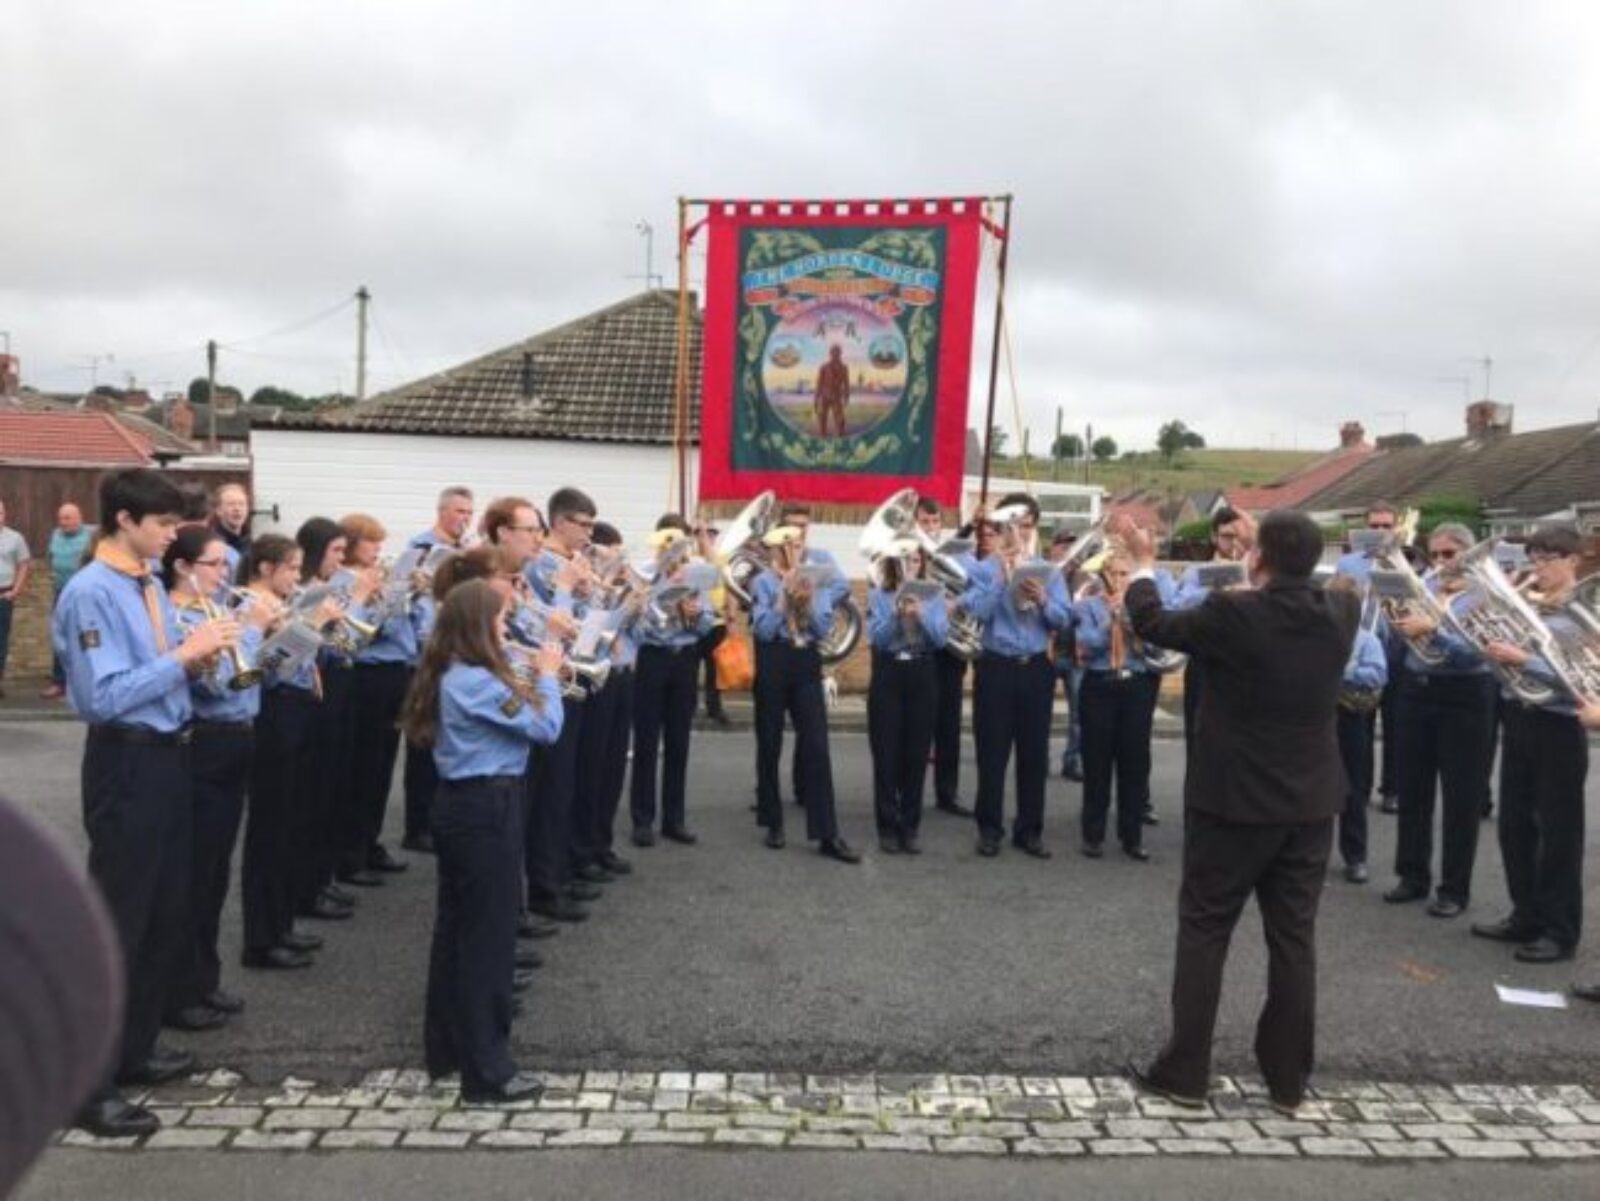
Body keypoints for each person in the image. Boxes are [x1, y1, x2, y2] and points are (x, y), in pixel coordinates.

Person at [1120, 509, 1359, 1116]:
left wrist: (1145, 565)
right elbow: (1295, 586)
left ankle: (1186, 1070)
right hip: (1309, 803)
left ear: (1256, 558)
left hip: (1232, 800)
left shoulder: (1234, 612)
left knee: (1204, 930)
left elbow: (1151, 621)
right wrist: (1265, 557)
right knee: (1293, 941)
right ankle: (1286, 1081)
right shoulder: (1342, 611)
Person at [53, 467, 239, 1137]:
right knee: (119, 922)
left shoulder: (147, 584)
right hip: (127, 759)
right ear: (125, 521)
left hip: (170, 754)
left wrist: (207, 656)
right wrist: (184, 657)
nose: (171, 536)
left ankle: (134, 1050)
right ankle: (88, 1082)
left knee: (166, 910)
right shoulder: (91, 592)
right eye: (161, 525)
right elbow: (101, 697)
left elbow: (167, 669)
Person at [402, 579, 563, 1105]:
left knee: (456, 934)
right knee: (487, 945)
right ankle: (487, 1071)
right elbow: (545, 728)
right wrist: (548, 677)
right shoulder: (474, 681)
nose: (507, 628)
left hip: (471, 805)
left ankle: (447, 1048)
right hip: (484, 809)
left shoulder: (464, 673)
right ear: (478, 625)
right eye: (500, 619)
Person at [1469, 527, 1591, 965]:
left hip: (1559, 726)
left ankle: (1560, 931)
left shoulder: (1584, 609)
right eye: (1534, 558)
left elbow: (1579, 674)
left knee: (1560, 834)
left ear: (1574, 559)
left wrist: (1524, 660)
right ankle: (1526, 914)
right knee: (1515, 825)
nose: (1537, 567)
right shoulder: (1527, 606)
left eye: (1547, 558)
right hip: (1518, 716)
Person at [0, 791, 123, 1194]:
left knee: (163, 904)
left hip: (180, 750)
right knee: (129, 910)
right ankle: (100, 1087)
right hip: (137, 753)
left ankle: (132, 1051)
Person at [1381, 523, 1496, 919]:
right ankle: (1412, 876)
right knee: (1413, 790)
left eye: (1450, 555)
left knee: (1461, 798)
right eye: (1437, 555)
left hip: (1465, 695)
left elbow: (1479, 653)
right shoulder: (1425, 586)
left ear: (1466, 554)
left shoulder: (1488, 595)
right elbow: (1401, 636)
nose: (1441, 564)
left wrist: (1435, 628)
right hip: (1417, 690)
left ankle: (1453, 889)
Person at [961, 494, 1074, 859]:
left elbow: (1064, 619)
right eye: (1012, 525)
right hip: (995, 665)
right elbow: (975, 612)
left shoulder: (1050, 570)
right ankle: (989, 829)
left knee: (1034, 754)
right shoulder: (982, 568)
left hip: (1036, 668)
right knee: (991, 752)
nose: (1019, 533)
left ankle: (1030, 830)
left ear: (1034, 528)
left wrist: (1043, 599)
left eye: (1025, 526)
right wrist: (1001, 577)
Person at [241, 534, 332, 970]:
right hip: (272, 716)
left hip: (295, 712)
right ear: (265, 569)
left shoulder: (281, 604)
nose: (298, 577)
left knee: (288, 825)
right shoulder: (251, 608)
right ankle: (261, 938)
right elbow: (263, 673)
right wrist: (294, 634)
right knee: (269, 829)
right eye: (291, 569)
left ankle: (281, 924)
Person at [751, 523, 859, 861]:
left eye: (797, 544)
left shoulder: (816, 579)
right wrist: (783, 597)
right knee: (769, 743)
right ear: (773, 548)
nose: (792, 550)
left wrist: (808, 600)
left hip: (805, 660)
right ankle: (773, 822)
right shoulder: (762, 582)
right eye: (785, 545)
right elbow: (764, 630)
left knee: (816, 745)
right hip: (773, 658)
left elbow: (824, 627)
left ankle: (827, 833)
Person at [523, 486, 601, 921]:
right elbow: (553, 626)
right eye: (583, 524)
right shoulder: (542, 566)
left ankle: (559, 872)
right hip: (547, 679)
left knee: (565, 786)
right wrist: (572, 587)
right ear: (560, 522)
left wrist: (599, 590)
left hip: (569, 676)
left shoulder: (570, 563)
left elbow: (582, 627)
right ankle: (545, 886)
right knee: (550, 791)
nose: (589, 533)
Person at [1072, 548, 1172, 861]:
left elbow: (1155, 645)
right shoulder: (1088, 605)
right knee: (1097, 761)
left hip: (1136, 684)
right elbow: (1087, 643)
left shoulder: (1143, 608)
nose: (1118, 579)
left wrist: (1128, 619)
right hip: (1100, 683)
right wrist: (1109, 621)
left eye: (1124, 573)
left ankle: (1132, 837)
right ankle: (1093, 835)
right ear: (1103, 577)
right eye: (1112, 573)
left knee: (1134, 762)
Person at [630, 518, 714, 847]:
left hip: (685, 661)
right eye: (669, 547)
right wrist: (665, 611)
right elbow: (636, 630)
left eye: (680, 547)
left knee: (679, 741)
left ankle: (674, 819)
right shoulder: (645, 577)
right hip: (653, 658)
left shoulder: (695, 577)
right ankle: (642, 819)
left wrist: (692, 614)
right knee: (647, 742)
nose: (675, 554)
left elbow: (707, 625)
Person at [342, 513, 415, 881]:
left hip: (393, 671)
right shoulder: (346, 582)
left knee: (384, 764)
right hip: (367, 674)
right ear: (353, 543)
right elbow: (366, 632)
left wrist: (404, 594)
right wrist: (382, 602)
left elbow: (402, 627)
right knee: (364, 766)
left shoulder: (379, 578)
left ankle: (370, 841)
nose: (377, 549)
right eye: (371, 542)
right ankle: (351, 852)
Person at [866, 540, 948, 854]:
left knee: (916, 755)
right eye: (904, 559)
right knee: (886, 755)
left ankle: (910, 828)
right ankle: (887, 827)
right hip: (889, 673)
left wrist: (922, 614)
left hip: (922, 673)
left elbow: (940, 639)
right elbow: (878, 639)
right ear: (892, 563)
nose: (911, 564)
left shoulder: (935, 594)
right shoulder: (878, 594)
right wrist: (898, 615)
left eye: (915, 559)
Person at [1335, 501, 1406, 813]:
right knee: (1359, 726)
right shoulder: (1349, 563)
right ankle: (1358, 790)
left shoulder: (1405, 559)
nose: (1379, 532)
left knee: (1396, 724)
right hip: (1362, 644)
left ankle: (1392, 789)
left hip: (1395, 644)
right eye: (1374, 526)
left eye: (1385, 526)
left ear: (1396, 528)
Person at [1325, 576, 1388, 884]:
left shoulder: (1367, 639)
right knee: (1314, 787)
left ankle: (1355, 856)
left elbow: (1378, 675)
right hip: (1318, 716)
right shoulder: (1314, 636)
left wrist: (1344, 670)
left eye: (1346, 604)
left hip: (1351, 717)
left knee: (1354, 788)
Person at [918, 495, 975, 816]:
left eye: (934, 522)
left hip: (951, 651)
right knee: (916, 725)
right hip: (922, 649)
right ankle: (908, 791)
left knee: (949, 725)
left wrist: (959, 603)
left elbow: (972, 586)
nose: (930, 528)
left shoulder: (957, 556)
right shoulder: (908, 556)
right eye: (924, 522)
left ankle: (947, 793)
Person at [43, 501, 93, 700]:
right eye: (60, 518)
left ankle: (88, 681)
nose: (63, 522)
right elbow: (50, 557)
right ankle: (59, 682)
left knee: (88, 636)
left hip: (84, 594)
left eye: (67, 518)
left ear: (79, 518)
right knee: (60, 635)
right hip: (61, 592)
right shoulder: (55, 534)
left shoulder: (90, 536)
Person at [1048, 528, 1084, 782]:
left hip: (1075, 653)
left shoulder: (1086, 577)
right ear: (1053, 548)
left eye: (1073, 547)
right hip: (1047, 652)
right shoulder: (1045, 574)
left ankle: (1072, 761)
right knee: (1039, 713)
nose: (1068, 552)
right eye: (1063, 546)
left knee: (1078, 715)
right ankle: (1039, 761)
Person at [0, 497, 31, 700]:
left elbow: (24, 564)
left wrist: (16, 590)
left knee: (1, 640)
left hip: (4, 594)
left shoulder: (15, 538)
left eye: (0, 512)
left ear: (5, 514)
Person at [813, 344, 850, 437]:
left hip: (837, 397)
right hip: (824, 396)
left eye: (837, 352)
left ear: (840, 354)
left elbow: (846, 384)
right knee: (822, 418)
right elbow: (819, 384)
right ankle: (823, 435)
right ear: (830, 354)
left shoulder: (844, 368)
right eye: (833, 352)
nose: (835, 355)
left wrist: (846, 397)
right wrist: (816, 399)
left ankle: (841, 435)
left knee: (840, 419)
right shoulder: (824, 367)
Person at [210, 482, 252, 564]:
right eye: (231, 504)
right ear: (218, 510)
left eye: (241, 504)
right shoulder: (212, 544)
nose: (237, 509)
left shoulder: (251, 544)